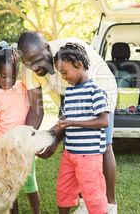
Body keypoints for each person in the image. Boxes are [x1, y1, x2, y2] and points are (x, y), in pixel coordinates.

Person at [18, 31, 118, 214]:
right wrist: (32, 138)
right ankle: (83, 204)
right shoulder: (30, 66)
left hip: (99, 90)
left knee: (104, 146)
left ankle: (110, 205)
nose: (33, 67)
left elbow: (87, 108)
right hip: (70, 97)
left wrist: (59, 133)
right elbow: (36, 108)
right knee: (73, 149)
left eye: (37, 60)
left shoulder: (73, 54)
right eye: (28, 64)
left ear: (47, 48)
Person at [0, 41, 40, 214]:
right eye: (4, 76)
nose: (9, 80)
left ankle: (37, 212)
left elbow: (35, 111)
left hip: (24, 147)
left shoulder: (23, 88)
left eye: (13, 76)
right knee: (9, 185)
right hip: (5, 149)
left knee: (29, 180)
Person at [53, 43, 109, 214]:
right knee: (64, 190)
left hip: (89, 156)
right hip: (69, 154)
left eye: (64, 72)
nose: (63, 77)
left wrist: (73, 123)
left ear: (79, 64)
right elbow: (64, 119)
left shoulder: (96, 90)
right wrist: (49, 134)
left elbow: (104, 121)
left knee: (93, 195)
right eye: (60, 73)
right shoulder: (69, 92)